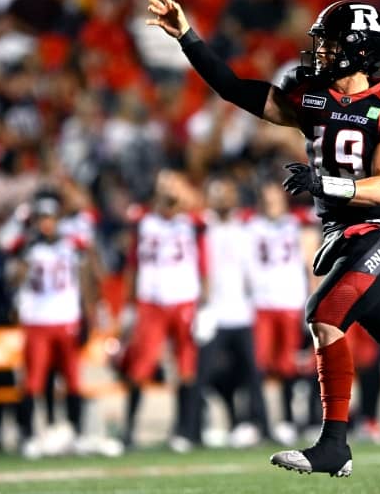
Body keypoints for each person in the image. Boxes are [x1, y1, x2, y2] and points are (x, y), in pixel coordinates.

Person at [146, 0, 380, 493]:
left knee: (324, 314)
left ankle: (334, 444)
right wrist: (188, 37)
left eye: (330, 43)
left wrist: (324, 183)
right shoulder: (312, 96)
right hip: (346, 239)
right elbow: (236, 89)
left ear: (360, 49)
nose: (319, 52)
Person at [122, 170, 207, 452]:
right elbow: (133, 265)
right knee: (140, 366)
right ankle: (128, 430)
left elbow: (204, 265)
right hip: (151, 301)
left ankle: (184, 430)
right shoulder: (142, 220)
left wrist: (206, 304)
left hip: (184, 299)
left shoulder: (194, 221)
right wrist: (129, 306)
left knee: (185, 368)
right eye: (165, 185)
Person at [9, 195, 97, 459]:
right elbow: (15, 277)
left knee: (73, 381)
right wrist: (22, 239)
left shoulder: (72, 245)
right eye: (41, 218)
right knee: (33, 381)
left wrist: (88, 316)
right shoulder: (28, 246)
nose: (46, 223)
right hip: (37, 320)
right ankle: (28, 435)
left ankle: (76, 434)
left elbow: (86, 280)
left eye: (50, 218)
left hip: (67, 318)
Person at [195, 176, 267, 448]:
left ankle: (263, 426)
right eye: (217, 194)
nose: (223, 200)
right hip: (212, 313)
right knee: (201, 375)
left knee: (253, 373)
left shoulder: (246, 227)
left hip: (241, 311)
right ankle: (194, 429)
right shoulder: (200, 227)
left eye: (227, 194)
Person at [243, 181, 312, 445]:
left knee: (287, 366)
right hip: (261, 303)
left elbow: (309, 264)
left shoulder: (297, 226)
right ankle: (256, 422)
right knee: (257, 365)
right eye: (266, 199)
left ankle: (286, 420)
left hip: (289, 302)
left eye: (274, 199)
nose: (271, 204)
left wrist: (311, 301)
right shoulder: (251, 227)